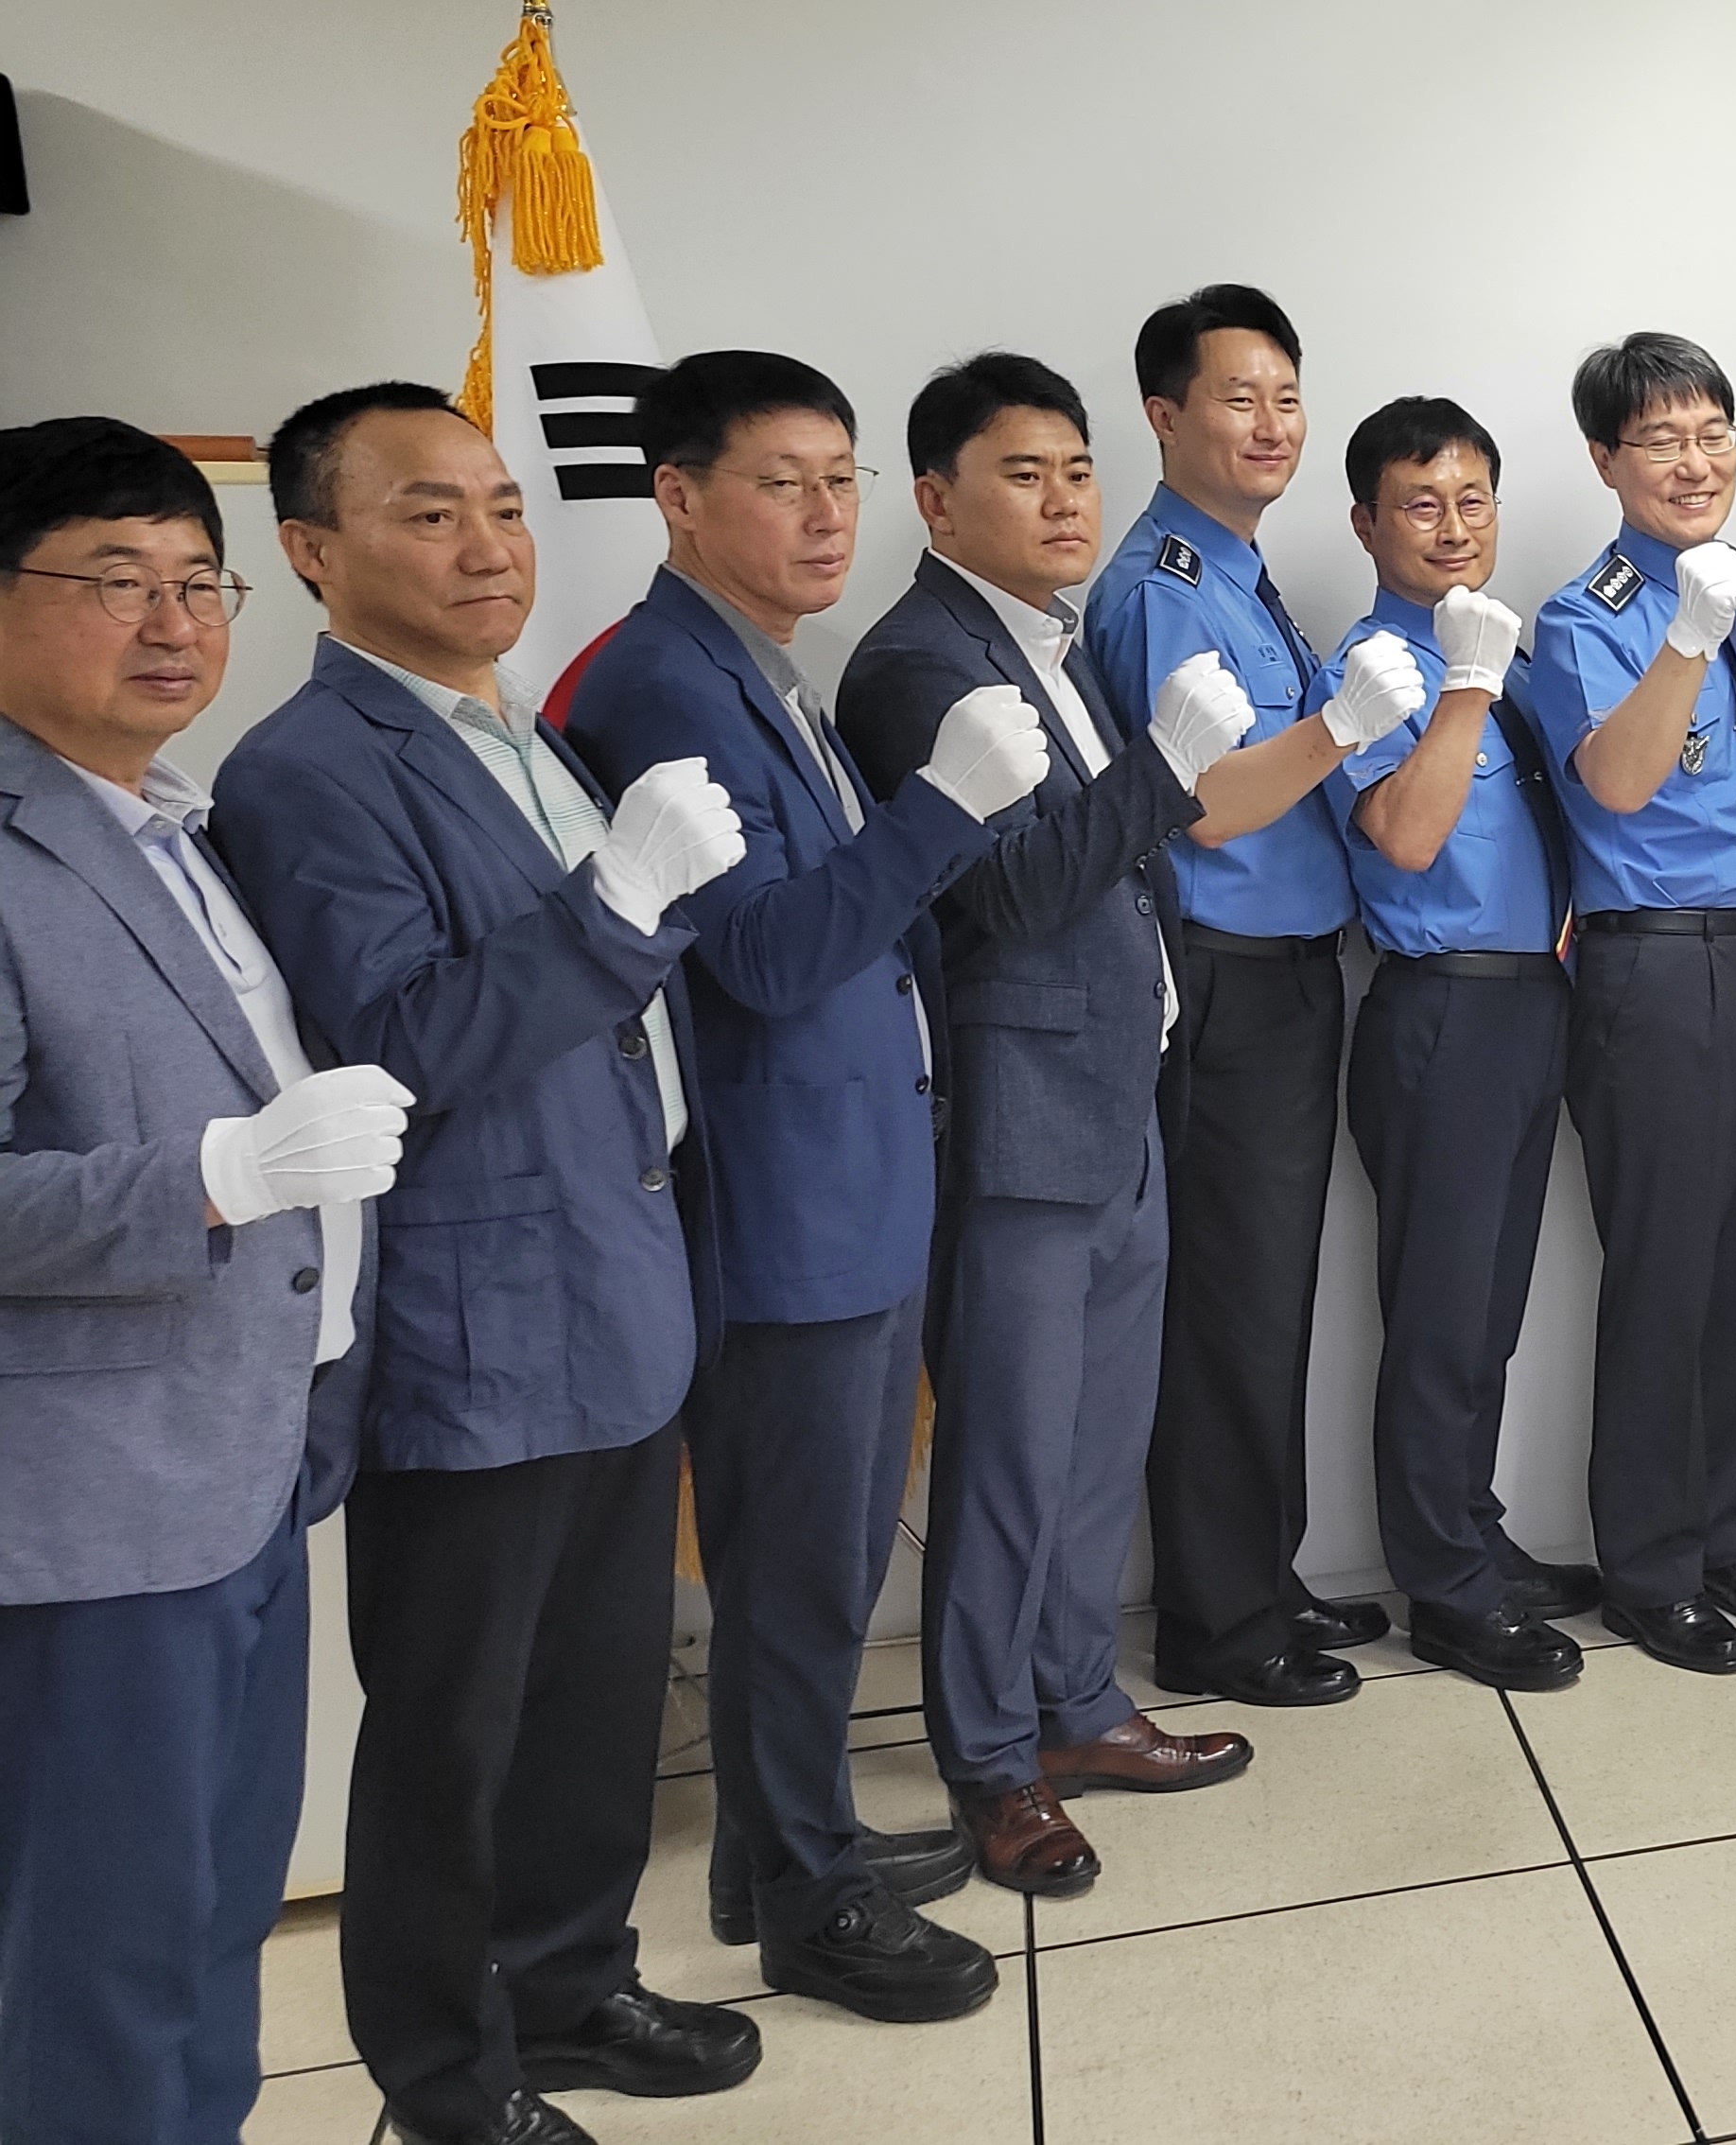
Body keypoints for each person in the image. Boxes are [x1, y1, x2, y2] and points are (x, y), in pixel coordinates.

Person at [217, 385, 757, 2145]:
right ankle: (446, 2079)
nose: (488, 547)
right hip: (476, 1322)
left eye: (505, 507)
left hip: (618, 1280)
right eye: (428, 513)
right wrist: (617, 904)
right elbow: (401, 1036)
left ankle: (575, 1985)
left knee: (598, 1697)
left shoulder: (527, 737)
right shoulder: (307, 770)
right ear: (312, 550)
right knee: (454, 1730)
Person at [556, 353, 1013, 2018]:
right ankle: (812, 1905)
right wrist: (944, 809)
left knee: (819, 1557)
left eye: (842, 480)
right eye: (782, 482)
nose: (826, 516)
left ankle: (775, 1847)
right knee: (800, 1564)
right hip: (781, 1199)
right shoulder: (667, 685)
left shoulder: (757, 661)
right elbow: (763, 956)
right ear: (679, 498)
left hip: (851, 1177)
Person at [834, 354, 1293, 1903]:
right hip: (1021, 1111)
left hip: (1117, 1093)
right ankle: (988, 1757)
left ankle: (1078, 1702)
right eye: (1023, 474)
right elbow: (1015, 893)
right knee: (1011, 1456)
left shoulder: (1051, 636)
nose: (1063, 500)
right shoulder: (918, 662)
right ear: (936, 499)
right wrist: (1166, 768)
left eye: (1077, 470)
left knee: (1099, 1443)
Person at [0, 417, 405, 2145]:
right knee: (102, 1960)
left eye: (197, 583)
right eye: (116, 582)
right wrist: (217, 1177)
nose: (172, 624)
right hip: (91, 1518)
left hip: (237, 1459)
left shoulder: (173, 821)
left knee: (214, 1917)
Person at [1087, 284, 1395, 1707]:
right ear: (1164, 416)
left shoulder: (1239, 573)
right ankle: (1217, 1620)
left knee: (1269, 1298)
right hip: (1220, 982)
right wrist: (1342, 728)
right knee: (1227, 1305)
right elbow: (1206, 805)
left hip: (1287, 979)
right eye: (1237, 398)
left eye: (1286, 397)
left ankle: (1261, 1576)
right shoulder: (1162, 586)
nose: (1271, 425)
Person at [1516, 331, 1736, 1675]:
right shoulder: (1583, 617)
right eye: (1660, 440)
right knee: (1665, 1277)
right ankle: (1649, 1568)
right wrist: (1687, 640)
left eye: (1712, 434)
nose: (1694, 463)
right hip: (1654, 965)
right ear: (1607, 460)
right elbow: (1623, 782)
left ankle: (1724, 1534)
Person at [1312, 395, 1604, 1691]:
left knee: (1488, 1310)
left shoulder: (1508, 652)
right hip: (1443, 1009)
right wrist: (1466, 689)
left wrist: (1489, 672)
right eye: (1419, 504)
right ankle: (1443, 1588)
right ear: (1366, 523)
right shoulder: (1374, 671)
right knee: (1439, 1316)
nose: (1451, 526)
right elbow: (1410, 836)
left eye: (1471, 499)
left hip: (1535, 1001)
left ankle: (1473, 1532)